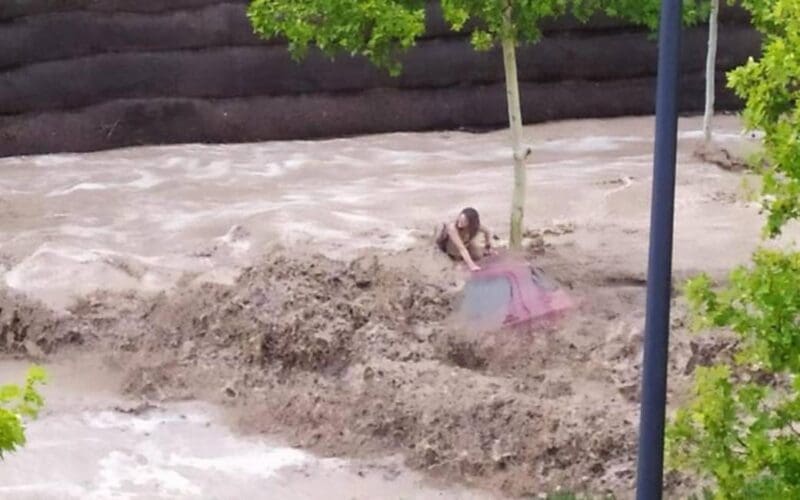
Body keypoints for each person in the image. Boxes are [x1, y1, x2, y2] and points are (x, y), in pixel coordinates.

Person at [436, 207, 494, 271]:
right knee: (456, 252)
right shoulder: (452, 228)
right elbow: (461, 248)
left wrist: (488, 246)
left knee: (478, 255)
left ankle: (466, 256)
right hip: (451, 245)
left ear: (471, 223)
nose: (460, 223)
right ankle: (457, 260)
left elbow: (488, 231)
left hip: (465, 242)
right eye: (460, 219)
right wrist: (472, 266)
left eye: (464, 221)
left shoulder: (475, 226)